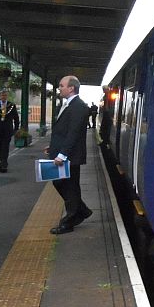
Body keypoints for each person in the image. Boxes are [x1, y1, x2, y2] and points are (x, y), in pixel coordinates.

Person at [45, 76, 91, 234]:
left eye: (62, 86)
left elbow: (73, 133)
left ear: (71, 88)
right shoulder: (65, 105)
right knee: (61, 184)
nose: (59, 88)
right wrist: (52, 147)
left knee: (69, 187)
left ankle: (69, 221)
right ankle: (81, 211)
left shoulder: (79, 107)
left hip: (70, 156)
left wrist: (62, 154)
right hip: (63, 153)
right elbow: (62, 132)